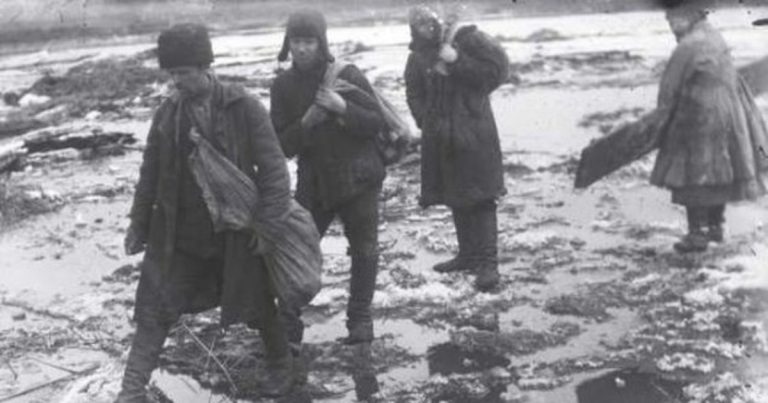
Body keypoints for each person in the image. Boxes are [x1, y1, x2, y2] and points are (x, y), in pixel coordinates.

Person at [117, 23, 297, 402]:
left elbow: (275, 172)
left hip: (236, 232)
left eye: (183, 73)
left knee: (259, 304)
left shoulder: (242, 107)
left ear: (205, 67)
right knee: (154, 309)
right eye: (171, 74)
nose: (176, 82)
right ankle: (130, 392)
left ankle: (281, 365)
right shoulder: (167, 114)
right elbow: (149, 174)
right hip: (179, 235)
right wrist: (138, 223)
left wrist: (268, 227)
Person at [270, 8, 385, 354]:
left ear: (322, 43)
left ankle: (360, 321)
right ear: (287, 43)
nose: (302, 48)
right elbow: (282, 145)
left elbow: (375, 122)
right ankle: (288, 325)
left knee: (364, 249)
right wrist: (307, 121)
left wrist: (342, 108)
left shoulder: (346, 75)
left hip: (359, 177)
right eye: (296, 41)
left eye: (309, 41)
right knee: (297, 249)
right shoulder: (282, 86)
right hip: (315, 183)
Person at [404, 5, 509, 292]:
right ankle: (468, 256)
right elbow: (413, 91)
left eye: (430, 22)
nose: (427, 28)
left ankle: (489, 264)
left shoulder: (469, 40)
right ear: (413, 29)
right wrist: (426, 120)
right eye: (420, 24)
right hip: (441, 138)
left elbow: (496, 73)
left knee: (482, 197)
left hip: (475, 134)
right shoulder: (418, 56)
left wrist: (457, 60)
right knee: (455, 194)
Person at [651, 1, 768, 253]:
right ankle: (715, 227)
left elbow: (669, 88)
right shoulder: (713, 35)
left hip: (698, 118)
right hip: (728, 114)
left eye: (673, 18)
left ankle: (697, 234)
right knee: (719, 173)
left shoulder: (688, 46)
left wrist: (660, 123)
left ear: (690, 14)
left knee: (692, 176)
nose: (671, 24)